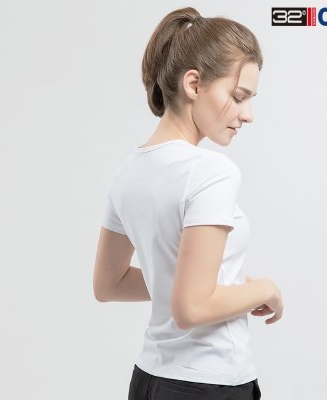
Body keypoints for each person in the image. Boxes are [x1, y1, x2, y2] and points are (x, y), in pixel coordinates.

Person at [93, 6, 283, 400]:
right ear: (194, 84)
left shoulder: (128, 171)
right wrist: (266, 289)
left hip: (149, 380)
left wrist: (210, 285)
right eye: (239, 97)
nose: (248, 115)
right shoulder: (212, 171)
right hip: (208, 383)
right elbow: (192, 307)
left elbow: (109, 284)